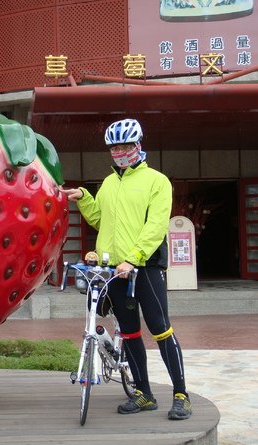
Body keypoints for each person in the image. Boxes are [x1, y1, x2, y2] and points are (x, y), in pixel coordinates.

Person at [61, 118, 192, 420]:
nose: (120, 151)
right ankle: (144, 394)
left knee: (161, 330)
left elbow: (156, 226)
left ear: (139, 145)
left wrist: (133, 258)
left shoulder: (156, 181)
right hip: (113, 272)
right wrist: (84, 198)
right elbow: (100, 221)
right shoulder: (108, 183)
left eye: (125, 145)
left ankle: (181, 394)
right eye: (114, 147)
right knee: (131, 334)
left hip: (144, 269)